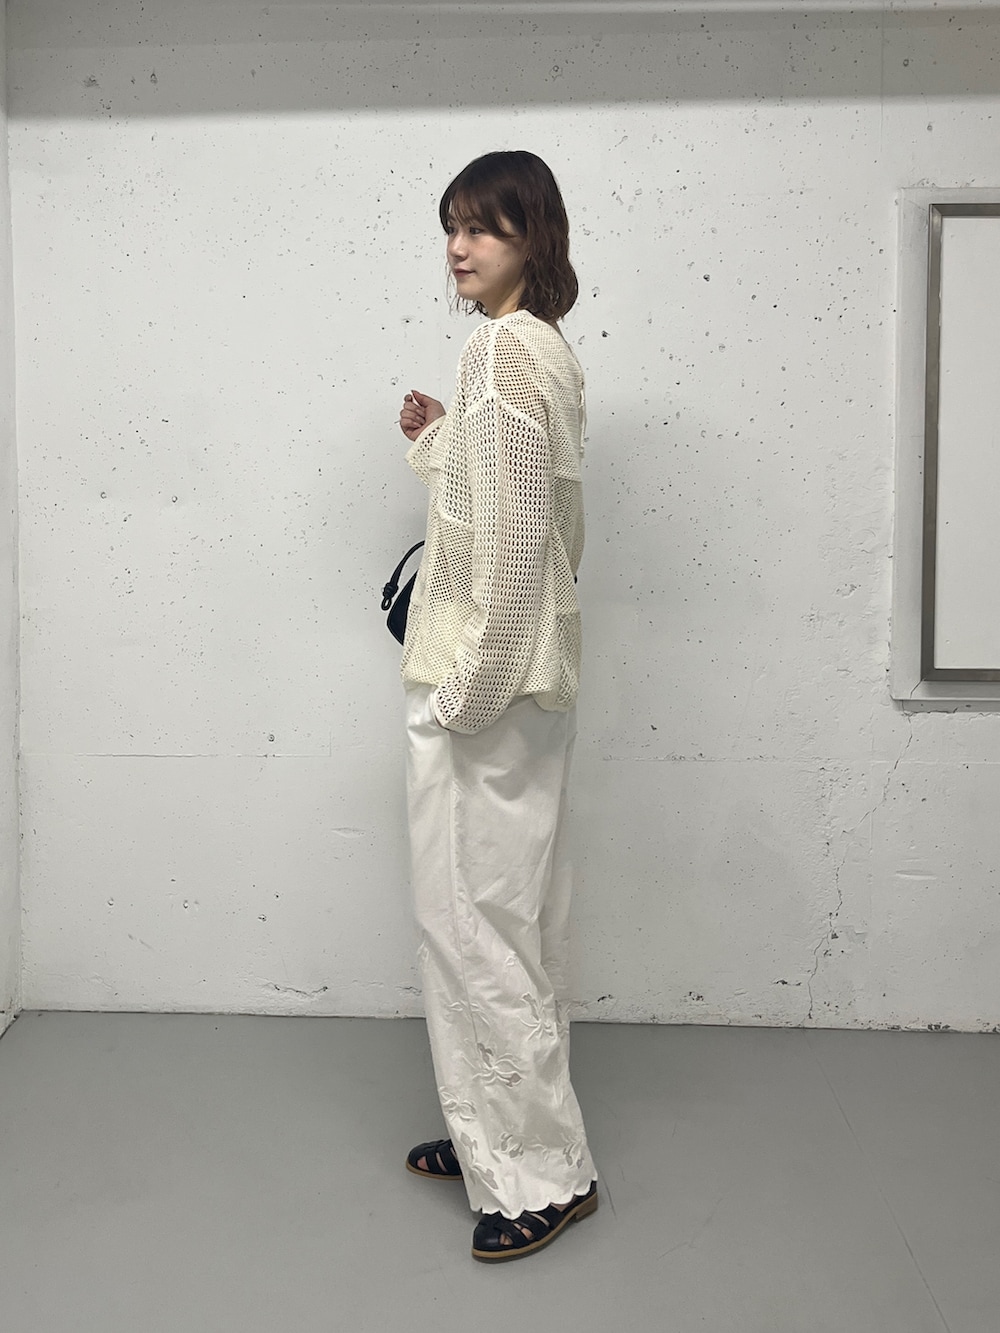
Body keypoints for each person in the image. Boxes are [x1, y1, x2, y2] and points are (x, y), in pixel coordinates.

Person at [396, 150, 598, 1263]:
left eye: (486, 227)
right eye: (453, 225)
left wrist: (461, 700)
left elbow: (516, 553)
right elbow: (523, 510)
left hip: (484, 686)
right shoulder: (544, 351)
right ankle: (495, 1131)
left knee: (475, 926)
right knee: (509, 921)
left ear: (535, 239)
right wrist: (440, 439)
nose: (460, 246)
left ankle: (539, 1172)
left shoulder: (498, 352)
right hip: (528, 684)